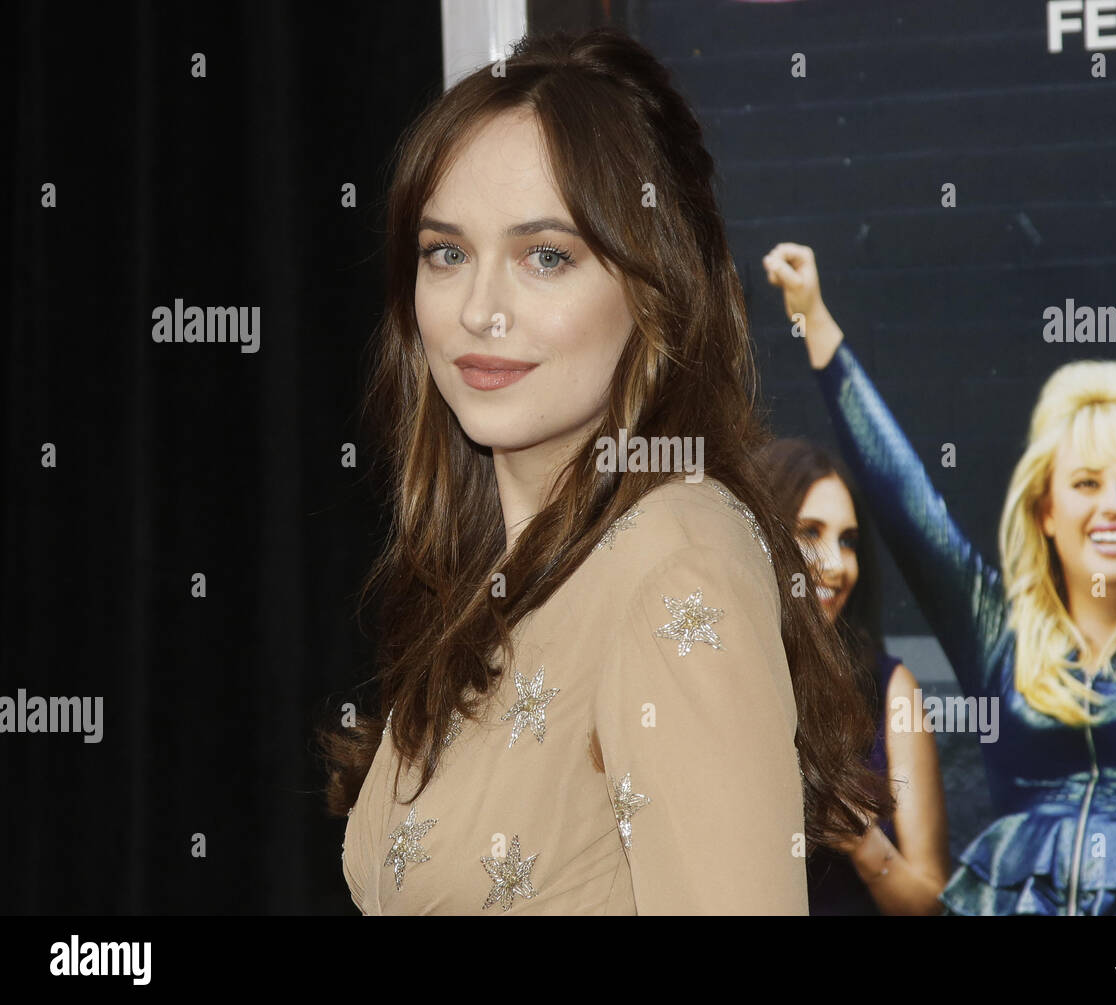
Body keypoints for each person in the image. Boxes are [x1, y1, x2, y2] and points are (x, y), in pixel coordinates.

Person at [317, 29, 894, 915]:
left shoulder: (675, 564)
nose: (480, 310)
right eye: (446, 253)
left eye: (546, 255)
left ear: (655, 287)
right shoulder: (490, 579)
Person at [763, 241, 1116, 915]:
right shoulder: (1002, 639)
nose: (1111, 504)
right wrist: (816, 322)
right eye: (1085, 482)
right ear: (1047, 510)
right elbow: (910, 508)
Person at [760, 438, 950, 914]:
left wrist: (863, 842)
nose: (836, 565)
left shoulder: (890, 690)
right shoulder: (716, 676)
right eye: (809, 533)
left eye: (848, 541)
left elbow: (930, 903)